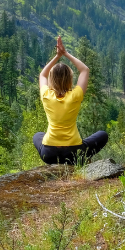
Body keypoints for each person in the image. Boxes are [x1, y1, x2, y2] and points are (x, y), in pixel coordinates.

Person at [32, 35, 108, 165]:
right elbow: (84, 70)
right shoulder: (75, 95)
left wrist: (57, 56)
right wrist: (65, 53)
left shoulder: (46, 95)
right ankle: (80, 160)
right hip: (74, 152)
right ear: (70, 79)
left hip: (49, 153)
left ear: (51, 80)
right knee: (102, 135)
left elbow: (42, 74)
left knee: (37, 135)